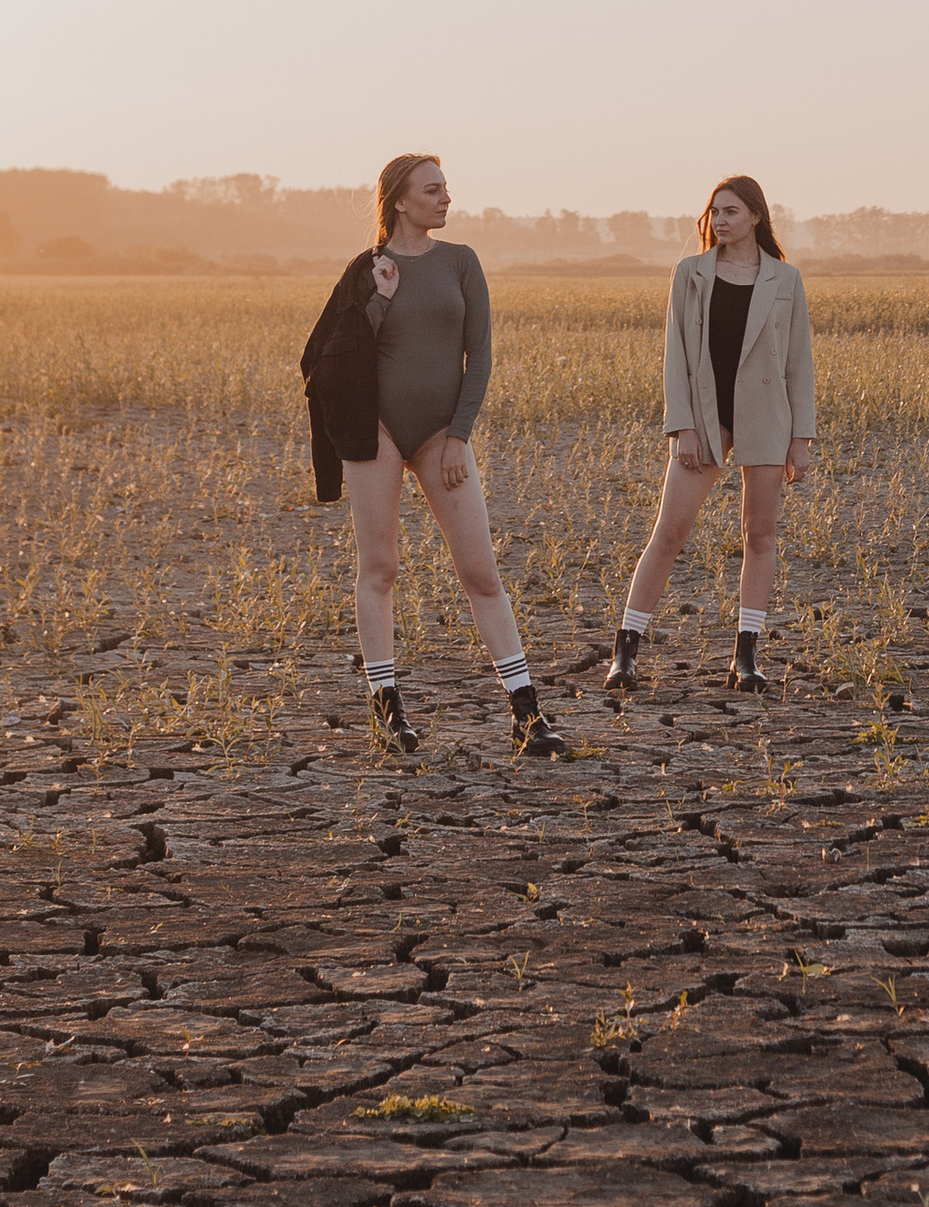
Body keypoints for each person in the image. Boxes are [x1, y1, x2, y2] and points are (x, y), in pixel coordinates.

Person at [300, 153, 570, 758]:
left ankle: (527, 714)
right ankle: (387, 712)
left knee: (481, 572)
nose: (446, 198)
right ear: (400, 200)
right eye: (432, 190)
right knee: (380, 568)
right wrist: (379, 299)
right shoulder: (367, 269)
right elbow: (337, 356)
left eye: (446, 188)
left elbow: (481, 356)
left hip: (441, 435)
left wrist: (458, 437)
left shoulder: (461, 261)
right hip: (376, 433)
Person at [604, 175, 815, 699]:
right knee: (670, 532)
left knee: (759, 535)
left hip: (767, 415)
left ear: (756, 216)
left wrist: (801, 437)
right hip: (704, 415)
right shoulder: (691, 273)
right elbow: (675, 354)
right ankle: (625, 650)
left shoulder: (786, 279)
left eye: (731, 211)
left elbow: (799, 363)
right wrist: (682, 426)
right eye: (715, 212)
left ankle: (746, 656)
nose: (720, 220)